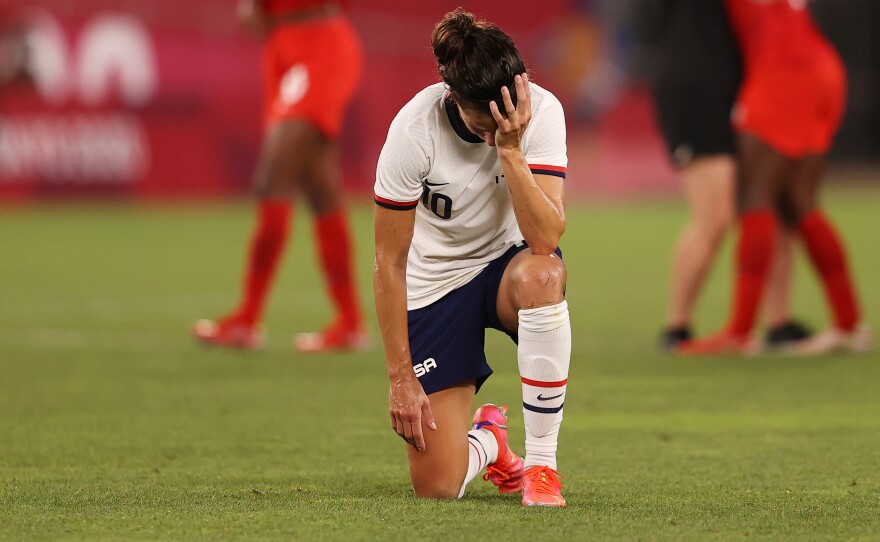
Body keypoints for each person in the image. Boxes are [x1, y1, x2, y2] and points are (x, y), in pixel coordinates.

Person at [374, 9, 570, 506]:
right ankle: (490, 441)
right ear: (453, 99)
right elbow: (389, 262)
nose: (491, 135)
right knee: (437, 487)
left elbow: (545, 238)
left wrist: (510, 150)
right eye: (482, 127)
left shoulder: (543, 112)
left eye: (500, 124)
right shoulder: (412, 133)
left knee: (544, 275)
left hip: (508, 265)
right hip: (435, 284)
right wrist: (400, 378)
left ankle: (542, 468)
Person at [679, 0, 872, 356]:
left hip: (785, 71)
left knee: (754, 199)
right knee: (799, 204)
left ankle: (739, 332)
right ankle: (848, 324)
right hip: (821, 68)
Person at [193, 0, 369, 352]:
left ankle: (247, 318)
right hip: (282, 46)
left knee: (272, 177)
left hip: (322, 42)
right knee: (319, 186)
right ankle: (350, 322)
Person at [652, 0, 810, 352]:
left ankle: (779, 322)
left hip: (746, 90)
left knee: (769, 208)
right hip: (698, 93)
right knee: (715, 217)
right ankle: (676, 327)